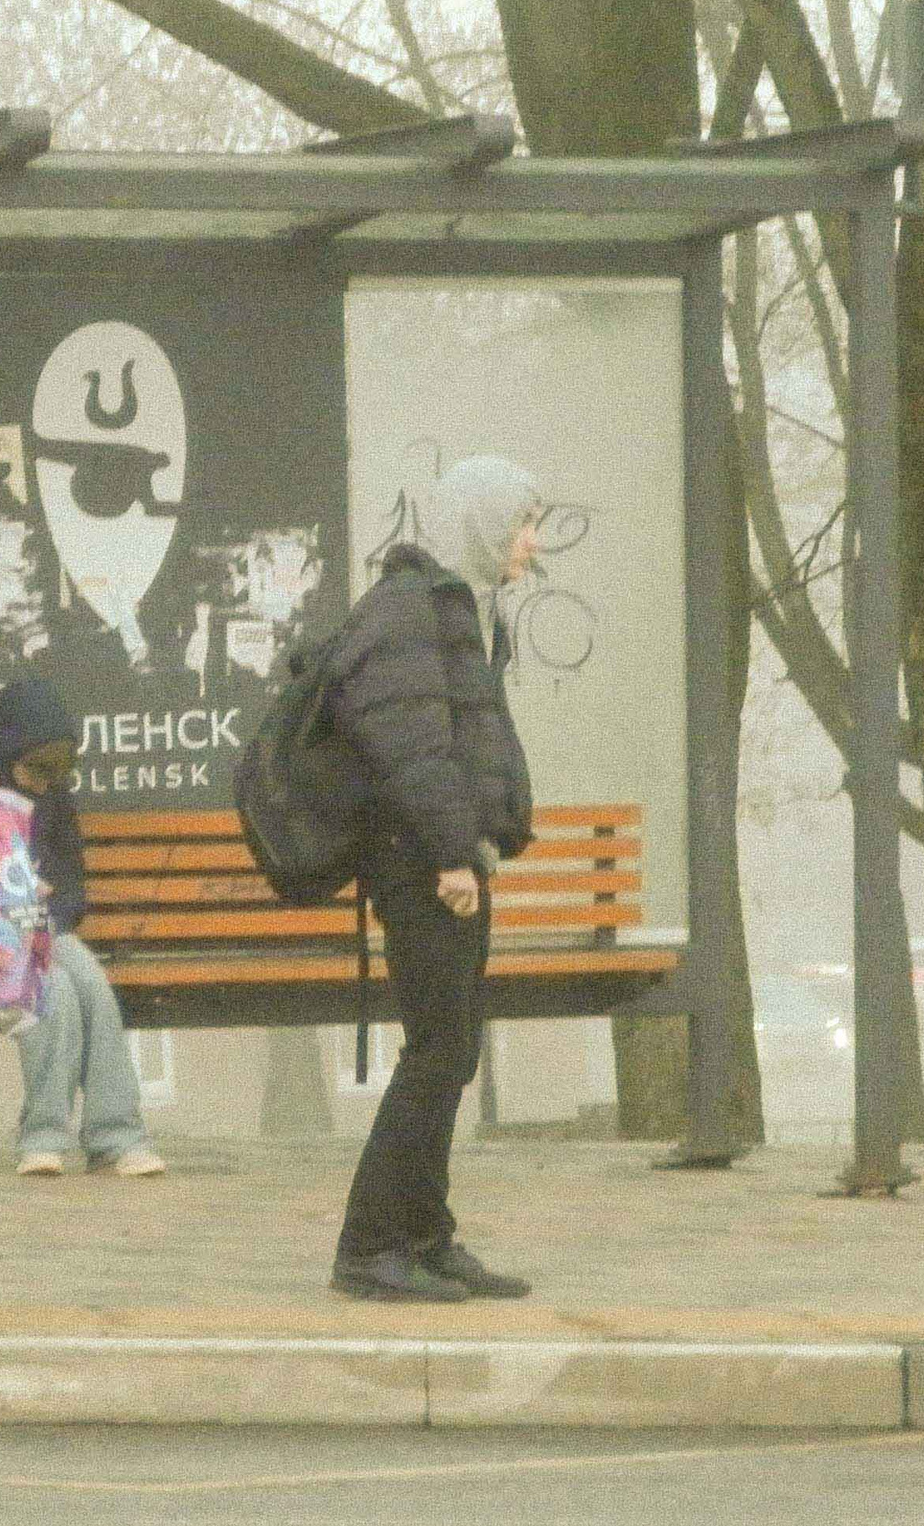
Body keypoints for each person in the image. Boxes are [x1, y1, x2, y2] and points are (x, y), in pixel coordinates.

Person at [323, 455, 545, 1303]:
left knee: (450, 1050)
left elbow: (457, 739)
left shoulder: (458, 608)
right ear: (484, 523)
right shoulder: (411, 611)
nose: (530, 544)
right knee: (438, 1050)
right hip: (422, 863)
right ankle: (369, 1243)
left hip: (450, 859)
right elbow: (408, 744)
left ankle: (425, 1234)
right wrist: (453, 854)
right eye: (522, 524)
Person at [0, 677, 167, 1180]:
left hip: (42, 932)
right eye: (36, 767)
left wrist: (49, 910)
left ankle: (117, 1137)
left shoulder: (54, 799)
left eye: (61, 769)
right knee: (51, 987)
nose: (47, 780)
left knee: (92, 985)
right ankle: (43, 1137)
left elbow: (71, 881)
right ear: (3, 753)